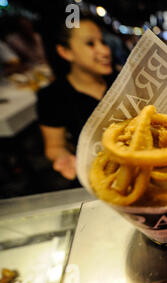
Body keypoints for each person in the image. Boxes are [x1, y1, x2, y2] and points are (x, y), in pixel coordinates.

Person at [37, 17, 114, 181]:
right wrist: (64, 158)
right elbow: (54, 146)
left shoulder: (122, 80)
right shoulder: (52, 96)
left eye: (103, 42)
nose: (105, 51)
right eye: (90, 44)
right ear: (66, 52)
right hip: (93, 177)